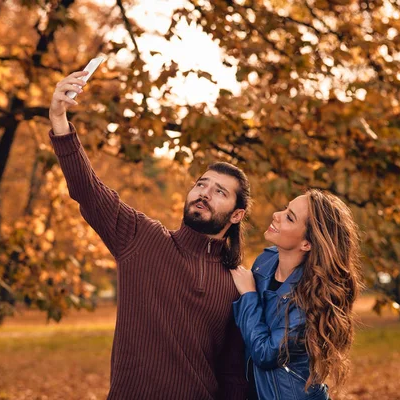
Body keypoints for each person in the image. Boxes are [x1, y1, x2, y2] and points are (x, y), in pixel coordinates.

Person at [48, 71, 249, 399]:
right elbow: (88, 190)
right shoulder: (141, 238)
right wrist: (59, 120)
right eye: (201, 184)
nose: (204, 193)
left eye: (219, 192)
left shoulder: (237, 283)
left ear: (237, 214)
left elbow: (232, 374)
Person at [230, 189, 363, 399]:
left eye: (289, 217)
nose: (277, 215)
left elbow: (265, 353)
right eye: (285, 208)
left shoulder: (311, 297)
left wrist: (249, 295)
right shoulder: (264, 263)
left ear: (307, 244)